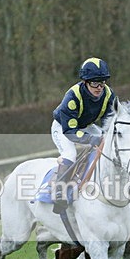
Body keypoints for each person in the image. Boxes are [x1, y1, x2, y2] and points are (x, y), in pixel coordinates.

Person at [50, 57, 117, 213]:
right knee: (70, 154)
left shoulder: (108, 95)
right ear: (85, 82)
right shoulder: (72, 96)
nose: (99, 87)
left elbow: (109, 123)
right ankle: (59, 192)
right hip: (63, 127)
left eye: (102, 82)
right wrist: (92, 139)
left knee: (110, 144)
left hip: (86, 126)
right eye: (95, 83)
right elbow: (71, 131)